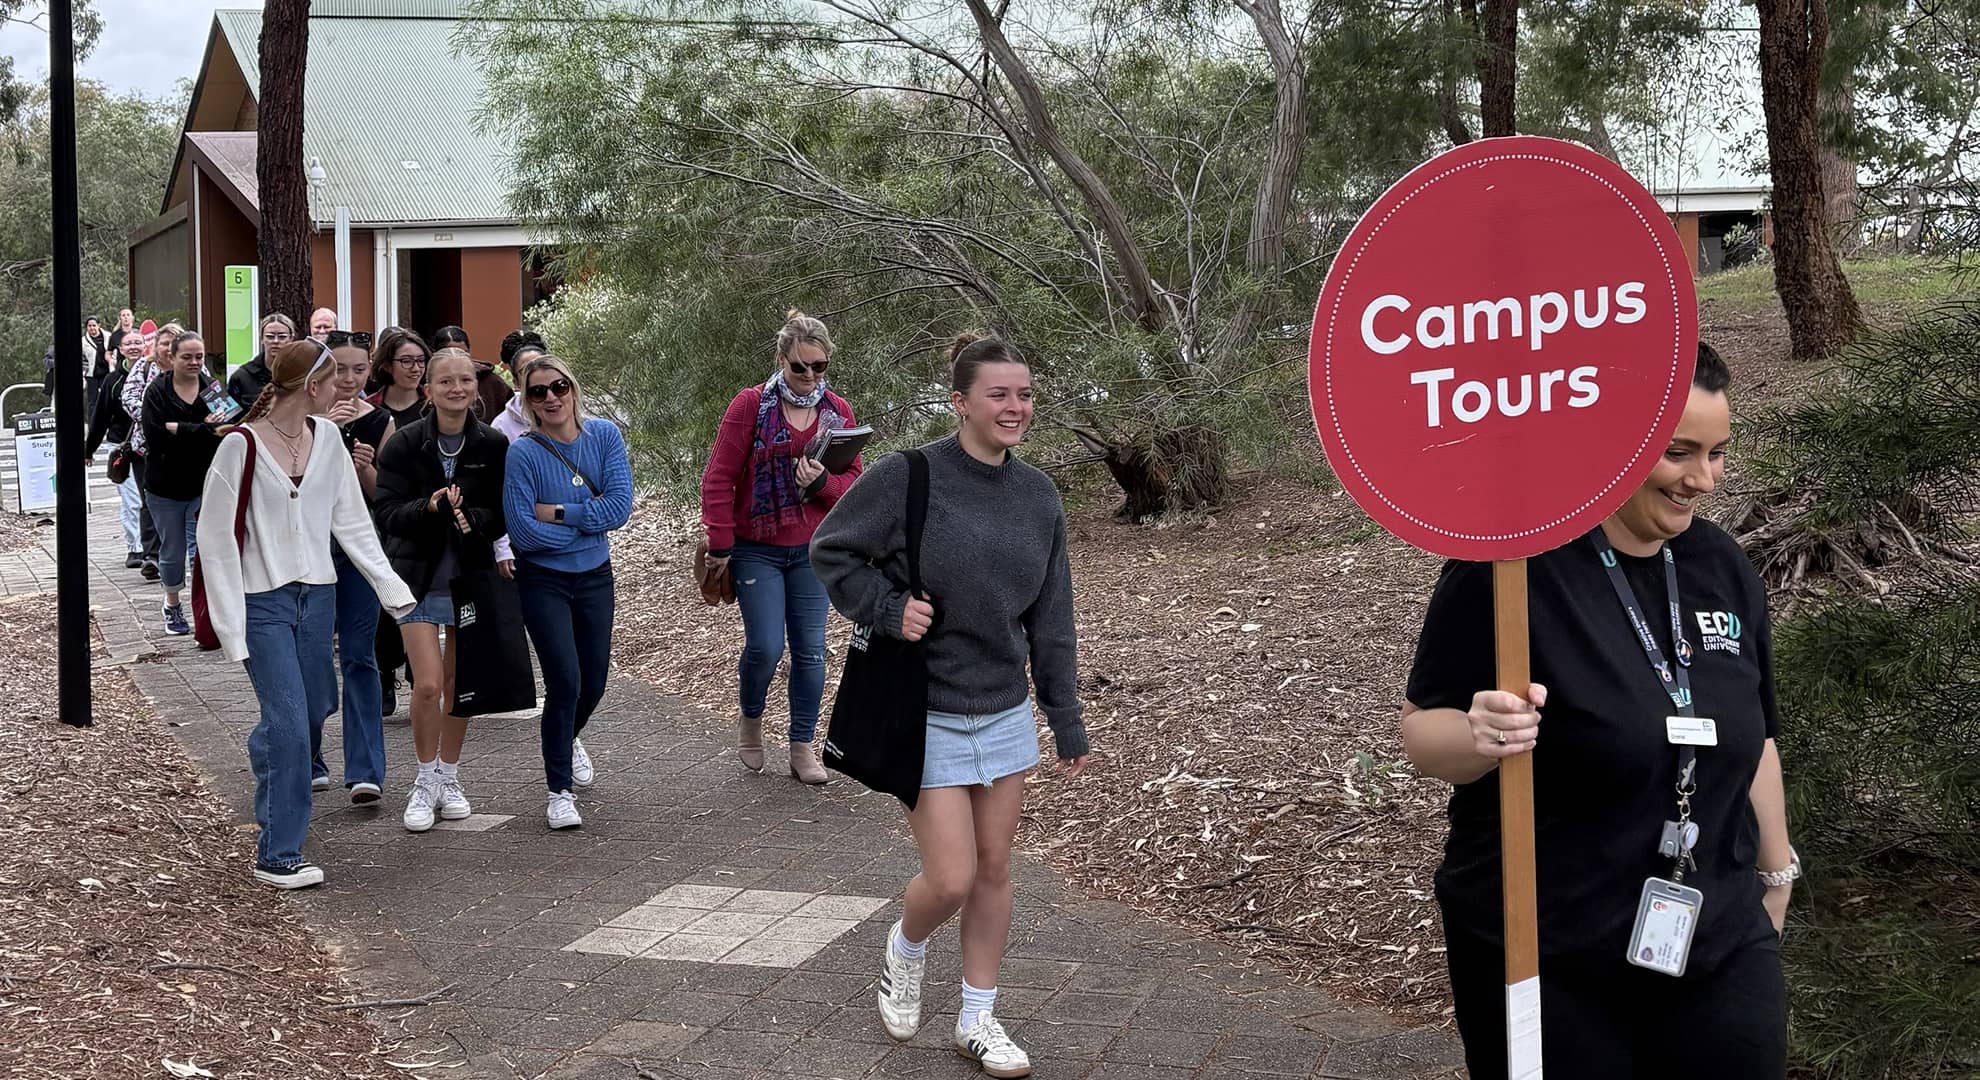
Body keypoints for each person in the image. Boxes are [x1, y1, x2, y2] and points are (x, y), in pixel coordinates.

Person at [1399, 343, 1794, 1079]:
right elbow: (1424, 733)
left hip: (1717, 935)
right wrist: (1483, 734)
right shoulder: (1513, 563)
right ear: (1615, 440)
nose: (1701, 479)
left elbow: (1754, 737)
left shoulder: (1721, 566)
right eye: (1679, 453)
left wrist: (1778, 876)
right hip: (1548, 948)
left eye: (1717, 454)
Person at [810, 332, 1089, 1078]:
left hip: (1000, 707)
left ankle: (977, 1019)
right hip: (925, 706)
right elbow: (832, 549)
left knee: (996, 868)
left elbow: (1051, 616)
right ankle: (905, 945)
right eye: (998, 394)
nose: (1015, 406)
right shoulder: (910, 477)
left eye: (1024, 393)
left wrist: (1065, 715)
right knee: (953, 878)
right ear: (960, 400)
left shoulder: (1039, 496)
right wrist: (885, 606)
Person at [196, 340, 415, 889]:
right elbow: (215, 539)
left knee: (317, 704)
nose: (345, 386)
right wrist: (230, 627)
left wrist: (392, 589)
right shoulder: (239, 446)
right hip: (261, 603)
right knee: (293, 725)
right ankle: (279, 852)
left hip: (319, 597)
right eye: (334, 378)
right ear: (312, 386)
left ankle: (266, 745)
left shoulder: (330, 444)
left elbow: (352, 523)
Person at [699, 310, 863, 784]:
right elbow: (719, 478)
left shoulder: (838, 412)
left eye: (819, 366)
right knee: (766, 647)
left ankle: (802, 745)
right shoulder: (751, 405)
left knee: (811, 652)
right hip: (756, 548)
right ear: (781, 359)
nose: (810, 376)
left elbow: (853, 482)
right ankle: (751, 723)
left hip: (813, 548)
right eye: (800, 366)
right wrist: (721, 543)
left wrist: (822, 485)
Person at [374, 348, 511, 832]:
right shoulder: (406, 443)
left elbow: (501, 512)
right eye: (446, 382)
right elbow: (386, 512)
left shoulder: (493, 445)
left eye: (466, 382)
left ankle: (447, 777)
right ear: (427, 390)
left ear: (477, 389)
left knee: (458, 687)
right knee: (427, 682)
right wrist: (427, 509)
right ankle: (423, 777)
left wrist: (471, 519)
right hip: (415, 577)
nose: (457, 389)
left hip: (468, 578)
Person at [504, 355, 633, 830]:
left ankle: (565, 738)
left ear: (573, 388)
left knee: (594, 682)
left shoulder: (604, 436)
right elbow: (523, 531)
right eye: (538, 392)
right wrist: (587, 523)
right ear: (527, 402)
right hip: (544, 581)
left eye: (558, 386)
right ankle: (559, 790)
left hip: (595, 576)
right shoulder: (523, 452)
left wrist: (559, 513)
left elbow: (619, 508)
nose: (551, 397)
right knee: (565, 681)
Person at [308, 329, 395, 804]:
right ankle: (311, 757)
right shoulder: (300, 420)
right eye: (337, 369)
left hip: (358, 552)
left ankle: (366, 770)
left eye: (358, 369)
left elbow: (386, 497)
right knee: (314, 658)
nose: (347, 380)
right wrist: (326, 432)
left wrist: (363, 467)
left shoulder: (379, 421)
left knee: (360, 655)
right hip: (310, 555)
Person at [140, 329, 226, 636]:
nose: (193, 362)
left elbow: (227, 429)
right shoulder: (157, 392)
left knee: (201, 549)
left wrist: (182, 429)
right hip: (164, 487)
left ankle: (205, 610)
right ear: (171, 357)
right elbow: (157, 438)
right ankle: (172, 604)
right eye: (187, 356)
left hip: (203, 484)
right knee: (172, 550)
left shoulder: (211, 388)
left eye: (199, 357)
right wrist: (202, 429)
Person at [84, 329, 158, 569]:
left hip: (154, 444)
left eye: (138, 342)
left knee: (152, 499)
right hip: (123, 446)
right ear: (119, 350)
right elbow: (101, 416)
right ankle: (136, 547)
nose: (134, 347)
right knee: (133, 499)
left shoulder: (155, 373)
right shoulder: (113, 380)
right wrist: (89, 449)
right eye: (129, 343)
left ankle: (154, 548)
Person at [489, 330, 547, 579]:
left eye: (542, 366)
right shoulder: (501, 427)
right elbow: (495, 489)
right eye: (526, 371)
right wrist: (502, 548)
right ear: (514, 380)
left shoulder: (570, 419)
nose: (536, 375)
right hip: (522, 537)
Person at [120, 323, 175, 581]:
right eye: (165, 342)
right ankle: (152, 555)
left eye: (175, 341)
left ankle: (181, 552)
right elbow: (128, 398)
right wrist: (155, 416)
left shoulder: (195, 366)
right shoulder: (144, 367)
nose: (170, 347)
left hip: (185, 446)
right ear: (156, 345)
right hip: (147, 447)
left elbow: (215, 399)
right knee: (150, 500)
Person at [227, 313, 297, 411]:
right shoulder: (241, 377)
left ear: (291, 339)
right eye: (270, 336)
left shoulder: (301, 374)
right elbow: (231, 417)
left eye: (282, 337)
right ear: (261, 339)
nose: (276, 341)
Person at [368, 326, 430, 433]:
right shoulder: (369, 409)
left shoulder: (435, 405)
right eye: (406, 361)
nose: (416, 369)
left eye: (421, 360)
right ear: (387, 366)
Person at [83, 316, 110, 413]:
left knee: (107, 399)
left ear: (99, 325)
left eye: (94, 325)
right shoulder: (83, 341)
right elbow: (82, 359)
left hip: (106, 373)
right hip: (92, 375)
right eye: (89, 326)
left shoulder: (108, 336)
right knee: (92, 402)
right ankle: (92, 425)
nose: (92, 328)